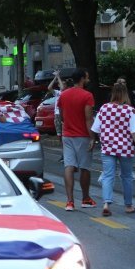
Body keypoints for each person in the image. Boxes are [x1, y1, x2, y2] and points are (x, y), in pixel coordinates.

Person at [89, 82, 135, 216]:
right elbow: (134, 131)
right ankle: (128, 206)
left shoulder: (104, 108)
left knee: (107, 176)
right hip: (125, 149)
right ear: (125, 94)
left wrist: (103, 137)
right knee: (127, 177)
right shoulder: (130, 110)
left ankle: (106, 203)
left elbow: (95, 128)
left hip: (108, 148)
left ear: (113, 93)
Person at [56, 68, 96, 211]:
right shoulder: (87, 96)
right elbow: (88, 119)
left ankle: (69, 201)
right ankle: (85, 198)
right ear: (82, 79)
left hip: (67, 134)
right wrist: (93, 137)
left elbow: (61, 115)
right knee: (84, 167)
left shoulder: (63, 95)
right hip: (83, 135)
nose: (88, 79)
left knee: (69, 166)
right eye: (87, 77)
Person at [48, 70, 66, 142]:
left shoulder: (65, 92)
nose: (63, 85)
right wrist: (55, 77)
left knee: (64, 128)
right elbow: (49, 88)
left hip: (64, 113)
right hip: (57, 112)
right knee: (58, 128)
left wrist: (58, 76)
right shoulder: (57, 93)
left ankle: (64, 141)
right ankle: (60, 142)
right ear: (58, 85)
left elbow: (62, 88)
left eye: (64, 84)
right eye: (62, 84)